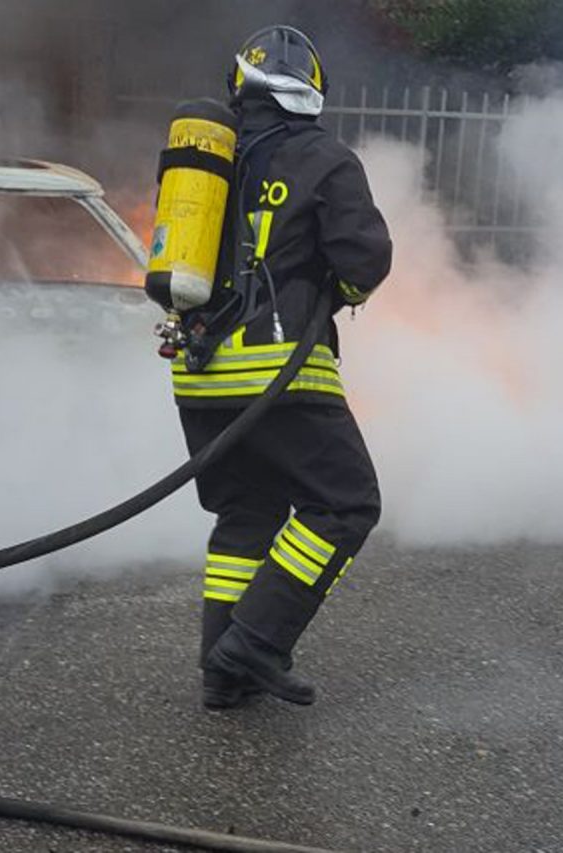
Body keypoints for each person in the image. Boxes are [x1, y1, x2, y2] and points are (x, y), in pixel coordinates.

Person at [171, 25, 392, 709]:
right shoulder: (326, 159)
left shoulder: (207, 163)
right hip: (279, 375)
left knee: (246, 514)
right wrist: (337, 289)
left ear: (242, 86)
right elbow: (365, 262)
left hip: (198, 374)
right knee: (346, 501)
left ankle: (222, 673)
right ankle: (257, 641)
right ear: (311, 95)